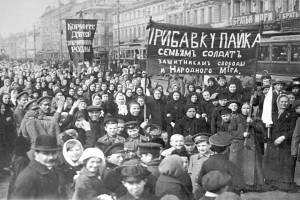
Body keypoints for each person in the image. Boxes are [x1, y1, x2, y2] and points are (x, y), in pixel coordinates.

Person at [11, 135, 66, 199]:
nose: (51, 157)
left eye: (53, 153)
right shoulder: (27, 177)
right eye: (46, 153)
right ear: (36, 154)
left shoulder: (54, 171)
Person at [264, 94, 298, 191]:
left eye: (286, 101)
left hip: (284, 143)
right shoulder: (272, 114)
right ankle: (272, 182)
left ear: (289, 103)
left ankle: (283, 184)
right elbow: (267, 128)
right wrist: (267, 125)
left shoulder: (292, 115)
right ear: (278, 102)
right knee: (272, 162)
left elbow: (293, 130)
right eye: (282, 101)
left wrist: (283, 137)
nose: (284, 103)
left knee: (284, 163)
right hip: (272, 142)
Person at [228, 102, 265, 191]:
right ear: (241, 109)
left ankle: (251, 185)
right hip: (239, 145)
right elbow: (231, 132)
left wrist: (252, 123)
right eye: (244, 108)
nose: (246, 110)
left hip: (252, 146)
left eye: (248, 108)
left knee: (252, 166)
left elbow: (261, 130)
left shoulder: (255, 119)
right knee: (239, 165)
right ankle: (238, 185)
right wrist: (241, 134)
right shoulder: (235, 118)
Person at [188, 134, 212, 199]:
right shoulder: (193, 157)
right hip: (195, 189)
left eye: (203, 145)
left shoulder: (213, 157)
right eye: (198, 146)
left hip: (208, 188)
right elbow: (190, 174)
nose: (201, 148)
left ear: (210, 145)